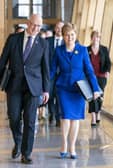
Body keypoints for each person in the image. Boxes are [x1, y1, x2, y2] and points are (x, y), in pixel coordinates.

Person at [0, 14, 50, 164]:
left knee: (30, 120)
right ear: (28, 23)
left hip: (34, 88)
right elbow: (2, 62)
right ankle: (18, 141)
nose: (36, 28)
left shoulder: (43, 43)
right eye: (34, 25)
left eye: (39, 26)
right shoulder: (13, 39)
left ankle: (26, 153)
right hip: (14, 86)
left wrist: (46, 90)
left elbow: (46, 68)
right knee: (14, 117)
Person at [50, 23, 100, 159]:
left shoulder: (83, 50)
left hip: (78, 90)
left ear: (75, 35)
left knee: (75, 119)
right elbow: (52, 70)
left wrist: (95, 89)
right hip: (64, 89)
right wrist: (44, 86)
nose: (70, 37)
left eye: (72, 35)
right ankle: (64, 144)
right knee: (65, 117)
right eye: (67, 35)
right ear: (63, 36)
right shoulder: (58, 51)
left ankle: (72, 146)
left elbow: (89, 71)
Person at [87, 30, 111, 127]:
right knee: (92, 96)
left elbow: (108, 62)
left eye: (98, 37)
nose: (96, 39)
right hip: (91, 76)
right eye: (94, 37)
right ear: (91, 38)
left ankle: (98, 113)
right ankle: (93, 117)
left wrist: (107, 71)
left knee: (100, 96)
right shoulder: (86, 49)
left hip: (101, 76)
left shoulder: (104, 49)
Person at [46, 20, 64, 127]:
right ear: (54, 29)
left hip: (61, 74)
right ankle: (51, 114)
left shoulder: (66, 42)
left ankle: (58, 118)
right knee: (50, 95)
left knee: (59, 96)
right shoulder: (47, 41)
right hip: (50, 74)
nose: (59, 30)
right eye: (57, 27)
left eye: (61, 28)